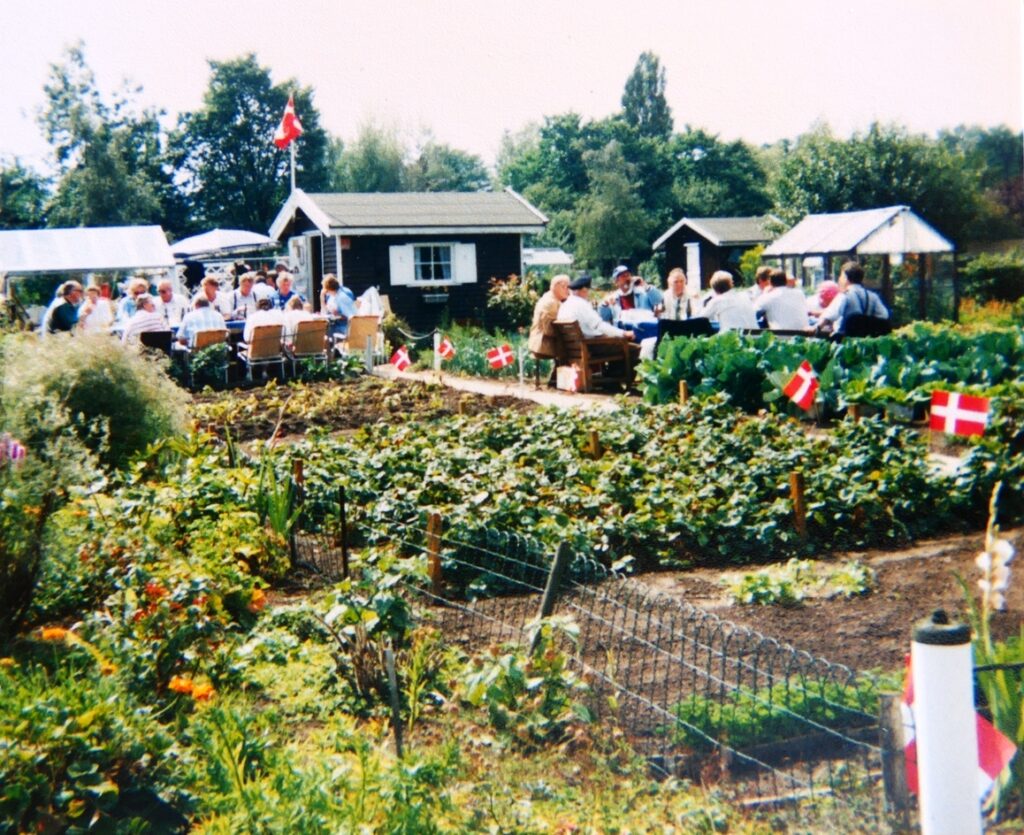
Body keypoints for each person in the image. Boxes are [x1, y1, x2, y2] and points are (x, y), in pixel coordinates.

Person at [815, 261, 889, 335]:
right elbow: (884, 316)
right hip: (866, 341)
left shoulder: (844, 295)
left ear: (845, 278)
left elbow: (830, 315)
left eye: (841, 276)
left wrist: (816, 328)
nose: (839, 280)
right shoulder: (873, 297)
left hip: (844, 340)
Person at [528, 273, 571, 359]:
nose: (568, 291)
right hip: (544, 344)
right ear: (556, 287)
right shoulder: (551, 303)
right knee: (576, 350)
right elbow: (549, 330)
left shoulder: (550, 298)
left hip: (543, 342)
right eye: (565, 287)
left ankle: (559, 371)